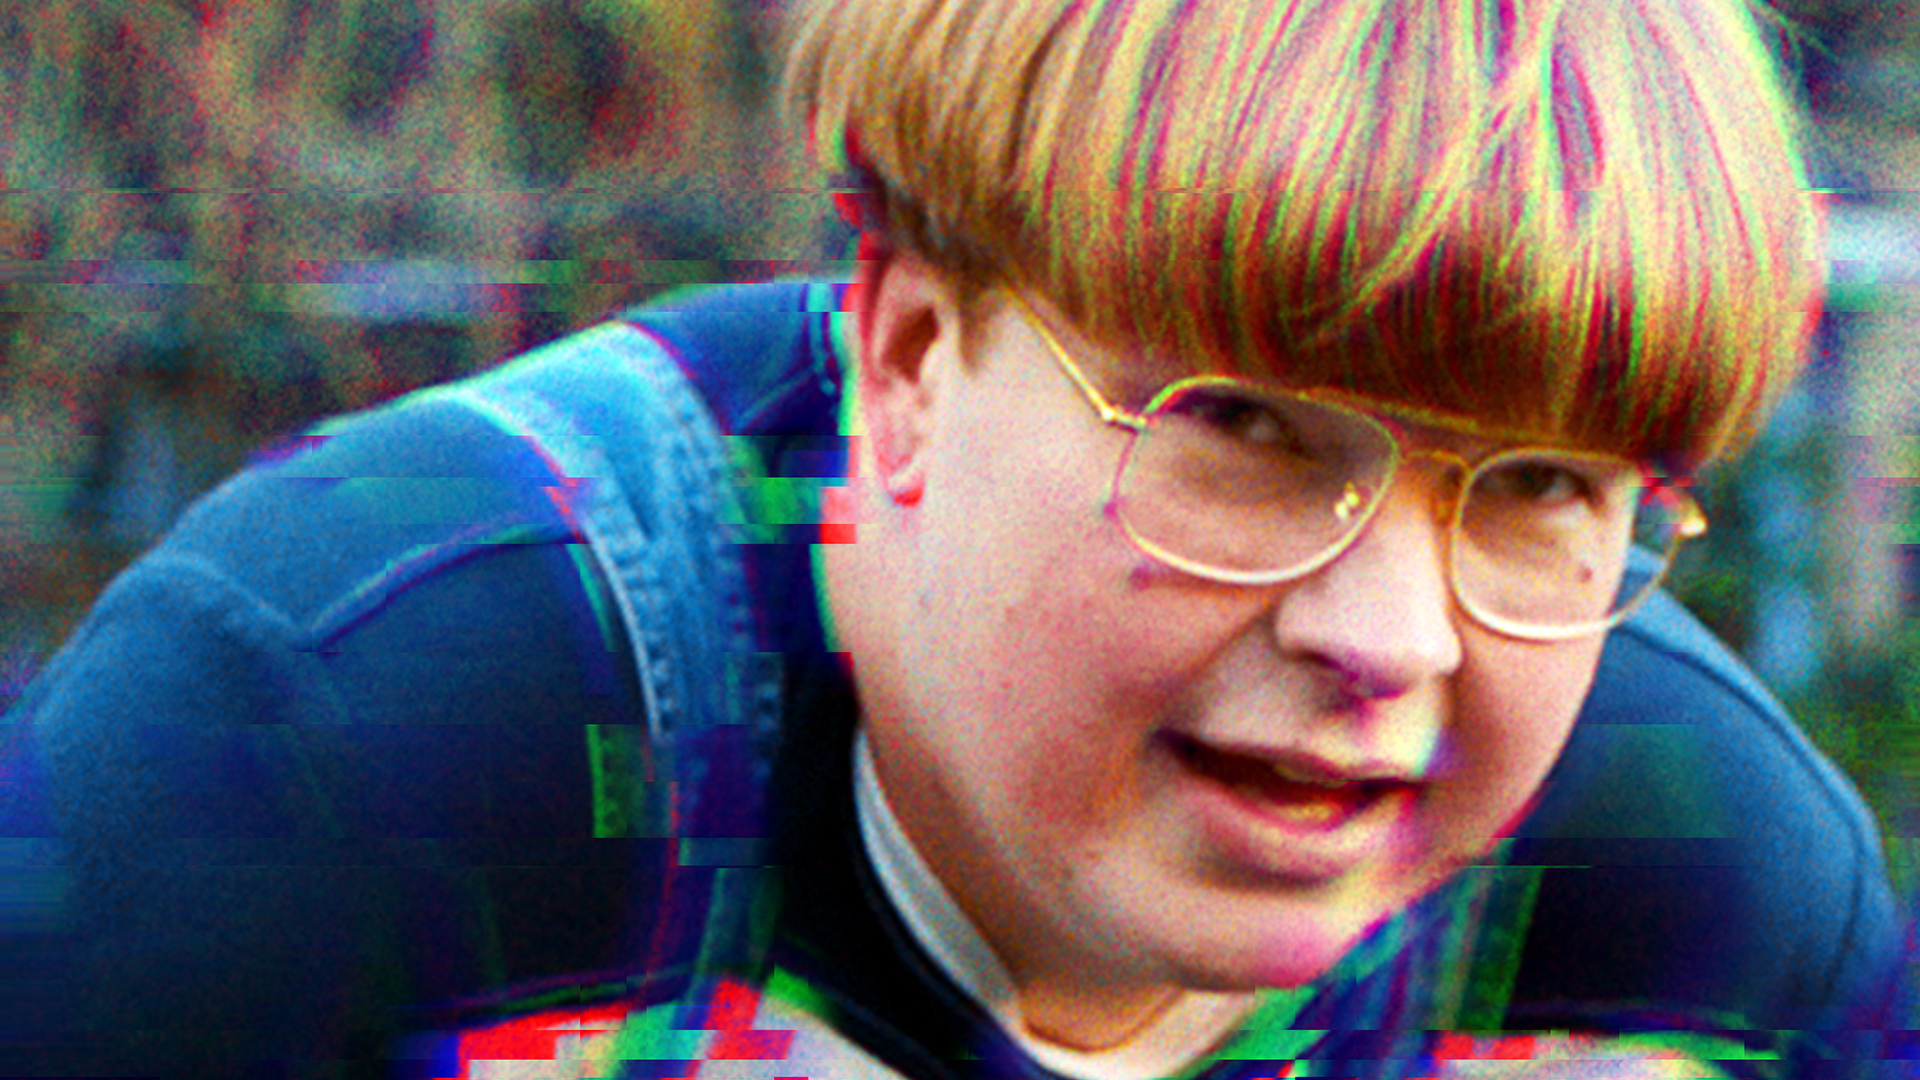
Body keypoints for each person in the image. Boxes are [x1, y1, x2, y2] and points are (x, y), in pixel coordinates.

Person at [0, 0, 1906, 1077]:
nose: (1394, 636)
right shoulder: (332, 750)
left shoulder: (1698, 927)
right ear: (911, 357)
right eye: (1248, 430)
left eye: (1546, 489)